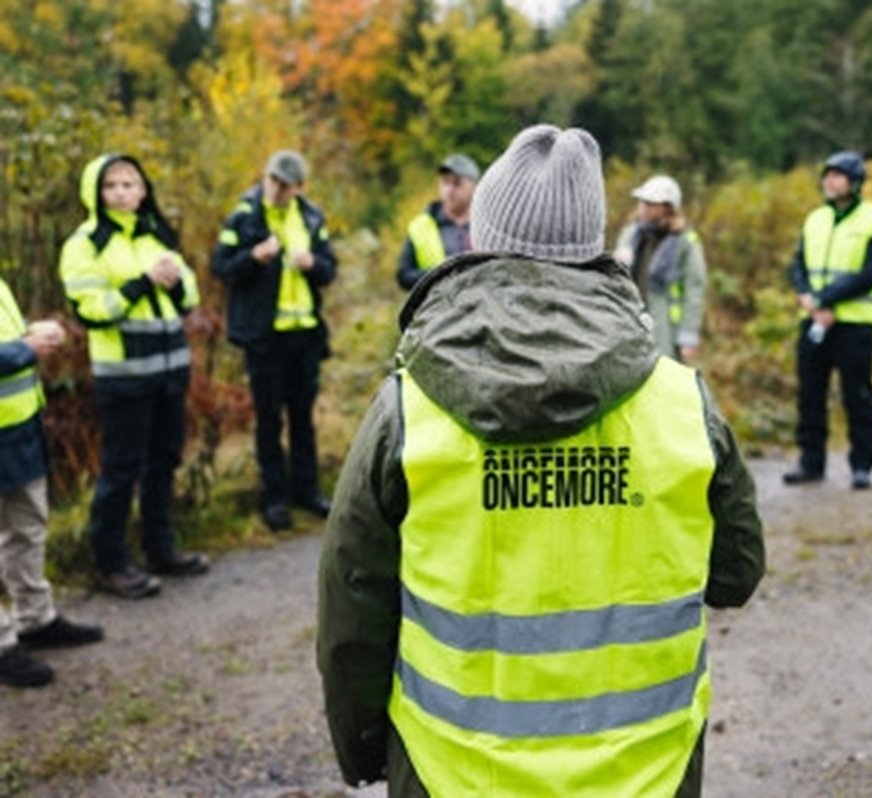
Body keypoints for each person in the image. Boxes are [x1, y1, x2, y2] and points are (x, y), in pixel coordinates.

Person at [317, 125, 764, 797]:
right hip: (647, 773)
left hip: (453, 773)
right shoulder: (681, 403)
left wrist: (363, 749)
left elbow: (354, 612)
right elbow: (733, 574)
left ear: (481, 238)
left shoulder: (408, 410)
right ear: (592, 248)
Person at [60, 154, 209, 599]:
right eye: (112, 186)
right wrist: (143, 282)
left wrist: (174, 282)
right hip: (123, 376)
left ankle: (160, 548)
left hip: (169, 369)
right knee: (121, 468)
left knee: (164, 461)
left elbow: (189, 298)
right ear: (95, 193)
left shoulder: (155, 235)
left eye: (130, 184)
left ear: (143, 190)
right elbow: (91, 310)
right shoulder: (85, 244)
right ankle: (112, 563)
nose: (122, 192)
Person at [212, 150, 338, 532]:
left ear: (299, 188)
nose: (277, 190)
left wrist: (312, 265)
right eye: (273, 181)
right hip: (263, 339)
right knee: (269, 420)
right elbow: (221, 268)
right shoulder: (243, 215)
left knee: (303, 419)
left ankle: (307, 491)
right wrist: (254, 257)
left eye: (285, 185)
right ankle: (274, 499)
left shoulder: (312, 217)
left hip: (304, 337)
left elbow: (330, 269)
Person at [0, 278, 103, 687]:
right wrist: (25, 348)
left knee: (28, 527)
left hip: (18, 429)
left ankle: (36, 619)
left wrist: (34, 333)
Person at [783, 151, 872, 490]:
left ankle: (862, 465)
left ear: (855, 182)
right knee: (810, 394)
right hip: (813, 321)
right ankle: (810, 462)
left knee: (856, 395)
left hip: (854, 326)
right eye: (826, 174)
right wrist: (806, 297)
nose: (829, 180)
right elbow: (797, 264)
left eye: (837, 175)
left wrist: (825, 298)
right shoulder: (814, 218)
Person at [613, 175, 707, 362]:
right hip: (630, 322)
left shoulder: (685, 242)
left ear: (667, 208)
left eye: (650, 203)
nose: (643, 207)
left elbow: (694, 289)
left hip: (666, 327)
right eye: (642, 202)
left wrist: (688, 336)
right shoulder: (631, 234)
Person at [395, 153, 479, 290]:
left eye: (457, 183)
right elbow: (404, 277)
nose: (449, 190)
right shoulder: (420, 226)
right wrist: (438, 274)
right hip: (436, 308)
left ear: (474, 187)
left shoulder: (487, 224)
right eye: (445, 182)